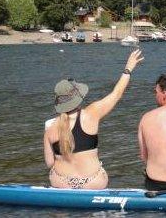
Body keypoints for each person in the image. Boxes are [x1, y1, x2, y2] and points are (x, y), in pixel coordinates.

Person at [43, 49, 143, 189]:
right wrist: (128, 69)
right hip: (92, 182)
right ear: (78, 99)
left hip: (61, 183)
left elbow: (49, 163)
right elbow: (116, 94)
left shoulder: (50, 128)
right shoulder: (91, 114)